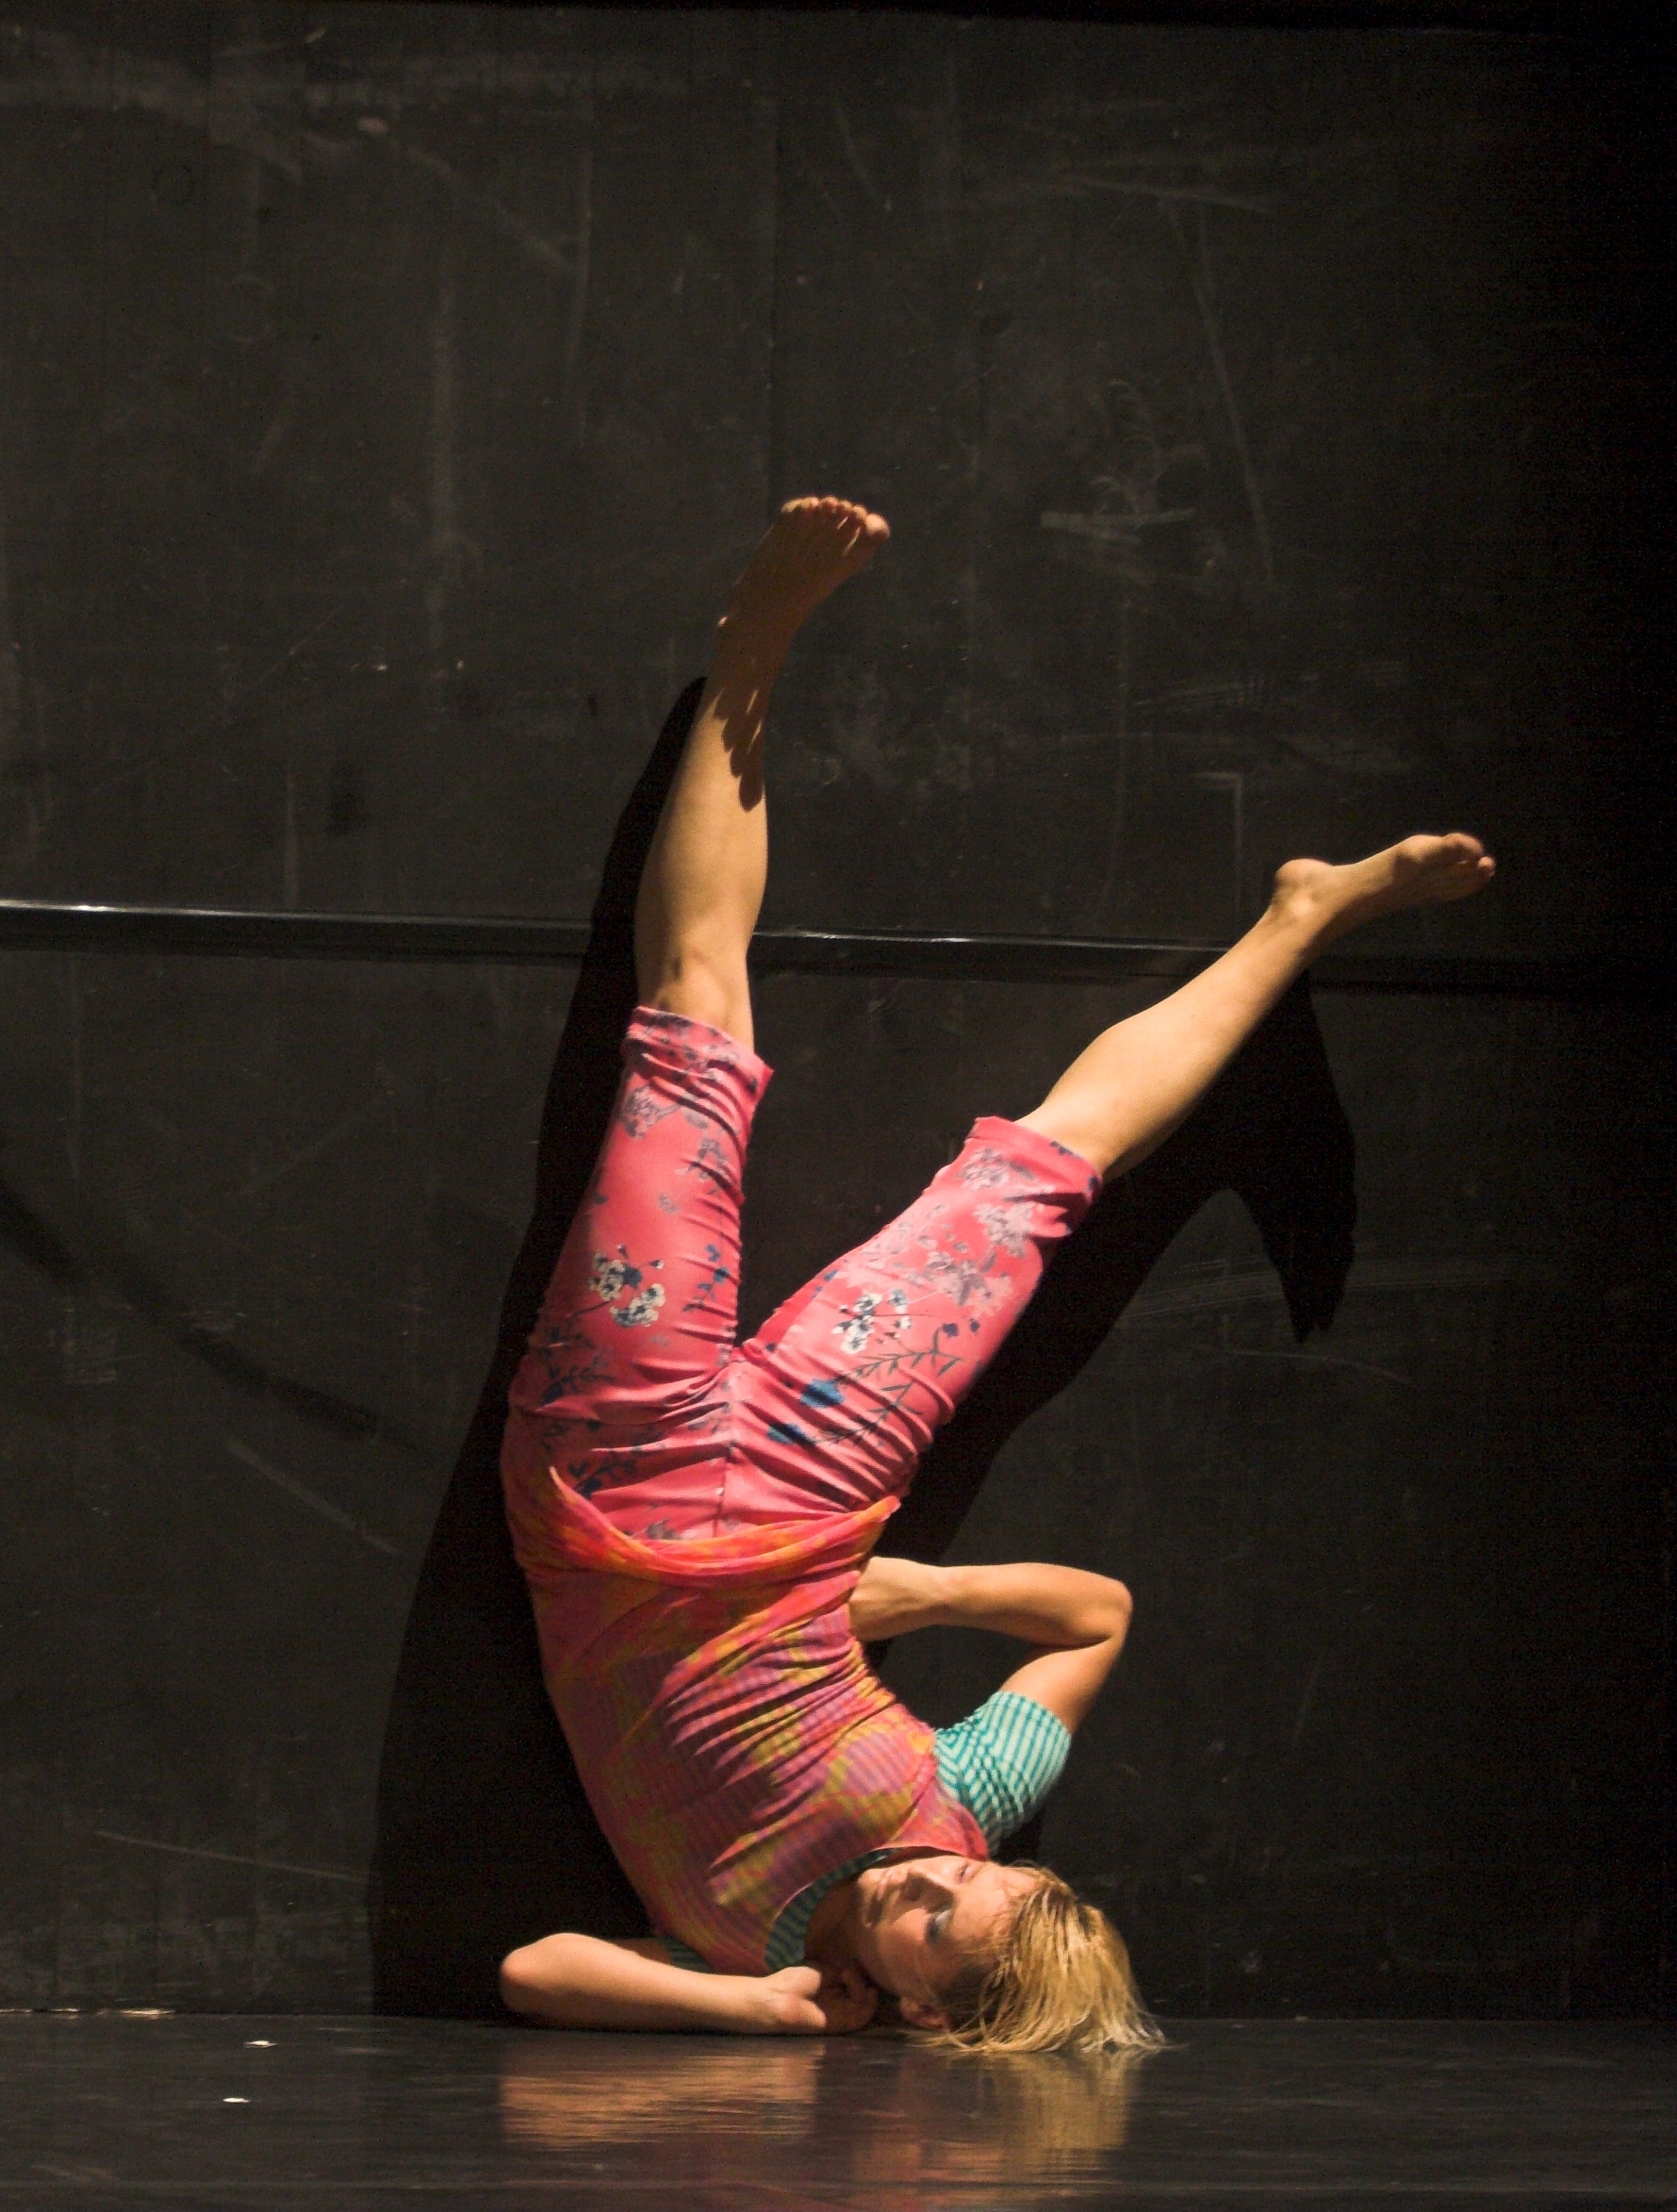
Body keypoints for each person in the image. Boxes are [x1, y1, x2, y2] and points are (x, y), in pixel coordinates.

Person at [495, 499, 1493, 2054]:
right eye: (973, 1882)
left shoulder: (751, 1950)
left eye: (933, 1922)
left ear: (918, 2006)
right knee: (1039, 1173)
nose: (930, 1877)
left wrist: (740, 2004)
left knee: (695, 1034)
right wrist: (934, 1592)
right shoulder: (972, 1798)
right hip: (816, 1485)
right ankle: (1298, 915)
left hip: (612, 1471)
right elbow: (1098, 1617)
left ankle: (747, 648)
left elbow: (534, 1968)